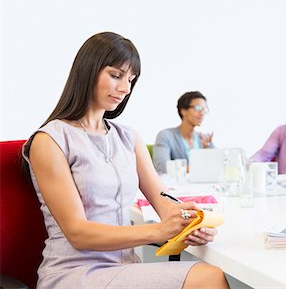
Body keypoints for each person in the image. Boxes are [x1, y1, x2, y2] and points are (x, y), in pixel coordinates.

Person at [21, 32, 228, 289]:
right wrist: (158, 231)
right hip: (74, 273)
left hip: (124, 267)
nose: (125, 88)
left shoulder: (128, 137)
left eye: (131, 80)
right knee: (208, 277)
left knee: (208, 273)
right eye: (116, 75)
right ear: (88, 71)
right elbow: (77, 233)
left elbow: (165, 203)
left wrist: (191, 222)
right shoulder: (50, 140)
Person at [153, 91, 214, 174]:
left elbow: (218, 165)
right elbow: (161, 166)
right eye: (198, 108)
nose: (202, 113)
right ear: (183, 111)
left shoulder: (203, 139)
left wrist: (207, 149)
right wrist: (197, 168)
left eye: (204, 109)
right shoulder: (165, 136)